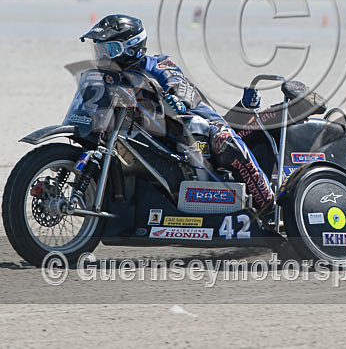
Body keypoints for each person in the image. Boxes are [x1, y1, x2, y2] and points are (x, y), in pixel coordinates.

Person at [82, 14, 273, 212]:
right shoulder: (110, 78)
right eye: (99, 48)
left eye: (109, 49)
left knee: (223, 140)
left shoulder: (158, 64)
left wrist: (175, 100)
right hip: (156, 139)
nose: (102, 55)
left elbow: (178, 87)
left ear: (131, 47)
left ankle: (269, 205)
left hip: (203, 128)